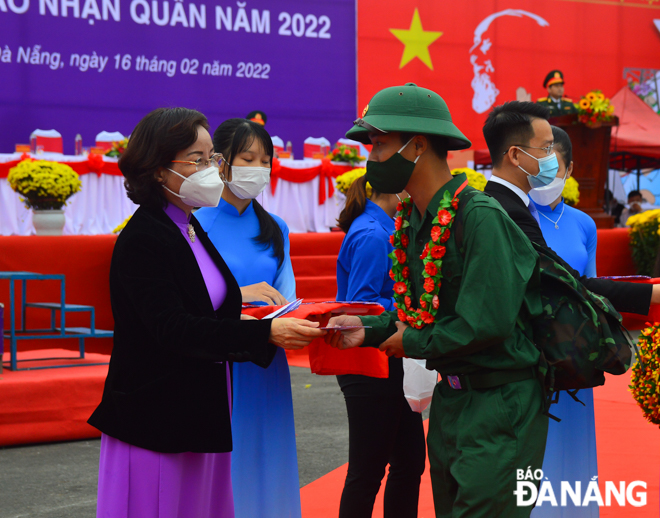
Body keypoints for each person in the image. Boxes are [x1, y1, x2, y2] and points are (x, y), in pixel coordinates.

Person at [88, 107, 324, 518]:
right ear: (160, 169)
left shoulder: (188, 226)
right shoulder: (146, 236)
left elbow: (214, 307)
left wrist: (259, 321)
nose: (211, 169)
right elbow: (173, 328)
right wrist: (262, 334)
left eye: (211, 157)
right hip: (158, 419)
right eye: (198, 159)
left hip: (203, 412)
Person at [326, 83, 547, 517]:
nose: (370, 157)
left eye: (380, 144)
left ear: (418, 146)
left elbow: (485, 323)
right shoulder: (412, 220)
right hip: (451, 401)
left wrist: (407, 342)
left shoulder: (479, 218)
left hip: (500, 403)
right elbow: (417, 312)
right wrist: (366, 328)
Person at [194, 118, 299, 518]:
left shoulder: (276, 228)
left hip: (266, 360)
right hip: (219, 361)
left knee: (267, 455)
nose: (258, 167)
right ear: (221, 162)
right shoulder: (194, 224)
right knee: (223, 463)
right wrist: (238, 297)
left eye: (265, 160)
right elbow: (185, 299)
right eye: (248, 158)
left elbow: (285, 296)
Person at [483, 101, 660, 315]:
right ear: (515, 155)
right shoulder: (510, 213)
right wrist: (652, 293)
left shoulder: (504, 204)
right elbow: (565, 282)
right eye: (546, 149)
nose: (551, 158)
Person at [334, 173, 425, 518]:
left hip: (389, 357)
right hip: (368, 362)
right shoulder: (372, 234)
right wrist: (416, 308)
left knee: (410, 460)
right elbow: (362, 306)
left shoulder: (386, 226)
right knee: (368, 470)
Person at [528, 126, 599, 518]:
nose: (546, 174)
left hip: (574, 356)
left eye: (555, 164)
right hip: (531, 357)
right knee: (535, 452)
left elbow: (592, 292)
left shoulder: (584, 225)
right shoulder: (513, 216)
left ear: (569, 169)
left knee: (573, 445)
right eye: (541, 161)